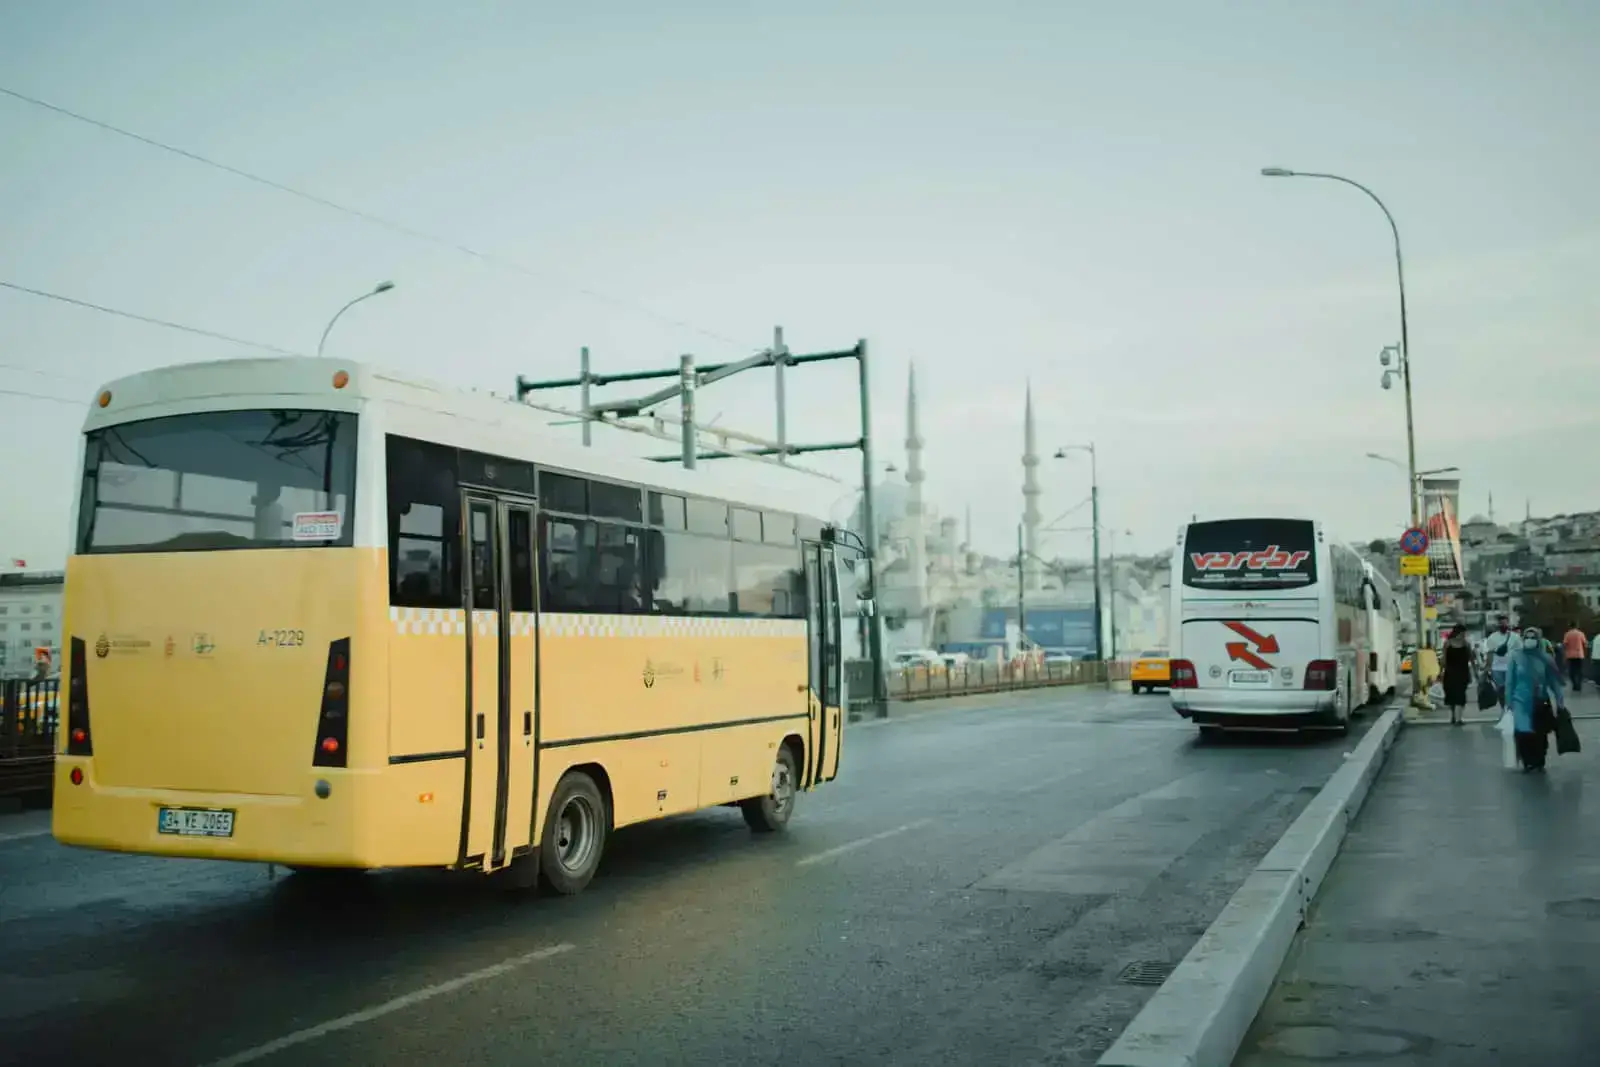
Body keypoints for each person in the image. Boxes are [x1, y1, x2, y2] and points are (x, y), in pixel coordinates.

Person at [1504, 626, 1568, 772]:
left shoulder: (1546, 658)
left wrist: (1560, 701)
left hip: (1540, 700)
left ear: (1539, 640)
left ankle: (1539, 760)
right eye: (1527, 637)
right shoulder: (1515, 657)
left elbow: (1554, 682)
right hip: (1521, 701)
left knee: (1540, 734)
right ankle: (1528, 761)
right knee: (1524, 734)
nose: (1530, 640)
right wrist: (1508, 702)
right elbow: (1510, 681)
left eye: (1533, 638)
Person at [1440, 625, 1474, 725]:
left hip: (1462, 673)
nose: (1464, 635)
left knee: (1460, 695)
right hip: (1450, 673)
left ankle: (1458, 719)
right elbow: (1443, 660)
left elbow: (1471, 659)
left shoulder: (1466, 644)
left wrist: (1475, 673)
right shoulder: (1447, 644)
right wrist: (1440, 672)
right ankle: (1454, 717)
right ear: (1457, 632)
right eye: (1462, 633)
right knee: (1451, 696)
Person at [1484, 615, 1519, 707]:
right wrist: (1488, 666)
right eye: (1501, 623)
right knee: (1500, 689)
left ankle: (1510, 706)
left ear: (1508, 623)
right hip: (1497, 668)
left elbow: (1520, 652)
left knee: (1510, 688)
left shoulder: (1515, 637)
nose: (1503, 625)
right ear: (1498, 624)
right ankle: (1503, 706)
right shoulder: (1492, 637)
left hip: (1511, 667)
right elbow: (1490, 652)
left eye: (1505, 623)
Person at [1562, 622, 1589, 692]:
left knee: (1572, 670)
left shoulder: (1567, 634)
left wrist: (1565, 653)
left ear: (1570, 626)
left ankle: (1574, 684)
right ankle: (1579, 685)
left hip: (1570, 655)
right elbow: (1585, 644)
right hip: (1579, 654)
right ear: (1576, 626)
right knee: (1579, 670)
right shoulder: (1580, 633)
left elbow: (1565, 644)